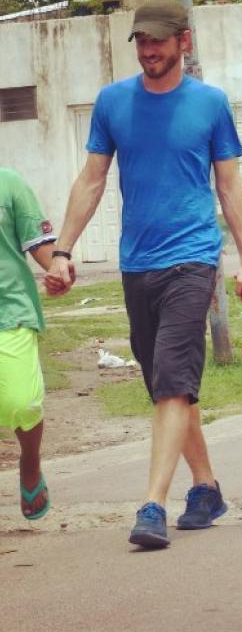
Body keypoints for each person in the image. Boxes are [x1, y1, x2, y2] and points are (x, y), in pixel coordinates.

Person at [44, 0, 242, 549]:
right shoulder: (114, 102)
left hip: (192, 258)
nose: (149, 49)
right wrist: (63, 250)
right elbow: (92, 179)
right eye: (141, 40)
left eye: (159, 40)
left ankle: (152, 505)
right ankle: (206, 487)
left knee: (170, 378)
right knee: (166, 386)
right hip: (136, 262)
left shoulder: (210, 103)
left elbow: (229, 185)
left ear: (184, 41)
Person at [0, 168, 73, 520]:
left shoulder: (9, 184)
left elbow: (38, 242)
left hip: (9, 307)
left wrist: (56, 268)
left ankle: (30, 460)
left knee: (21, 401)